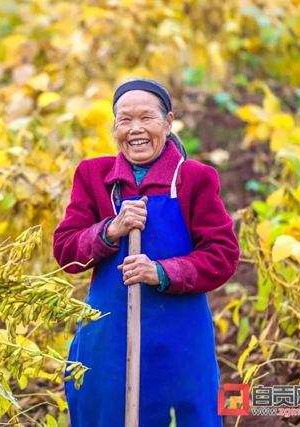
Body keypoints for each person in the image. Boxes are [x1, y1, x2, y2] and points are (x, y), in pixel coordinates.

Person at [53, 79, 240, 426]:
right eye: (124, 120)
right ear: (115, 127)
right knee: (104, 412)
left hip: (178, 339)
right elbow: (66, 251)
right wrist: (110, 230)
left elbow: (223, 254)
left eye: (147, 118)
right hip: (107, 340)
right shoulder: (94, 176)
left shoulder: (194, 179)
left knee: (186, 413)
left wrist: (161, 272)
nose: (135, 129)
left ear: (168, 123)